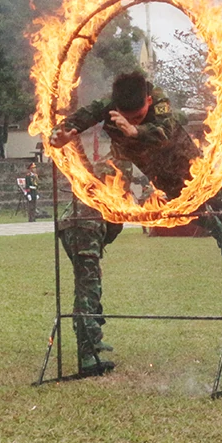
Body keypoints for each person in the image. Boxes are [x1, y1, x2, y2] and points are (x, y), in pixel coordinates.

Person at [48, 71, 222, 266]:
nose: (133, 120)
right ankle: (217, 230)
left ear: (149, 100)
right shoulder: (106, 105)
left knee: (221, 197)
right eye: (127, 117)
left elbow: (165, 130)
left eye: (139, 115)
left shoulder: (158, 98)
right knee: (186, 207)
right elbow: (72, 122)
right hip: (157, 170)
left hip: (186, 160)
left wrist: (136, 131)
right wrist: (62, 135)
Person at [58, 161, 124, 376]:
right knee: (88, 289)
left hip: (75, 225)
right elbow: (116, 222)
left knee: (87, 284)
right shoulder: (112, 179)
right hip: (85, 227)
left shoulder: (98, 174)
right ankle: (87, 356)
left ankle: (93, 339)